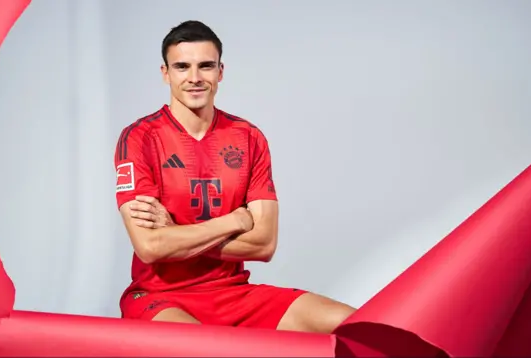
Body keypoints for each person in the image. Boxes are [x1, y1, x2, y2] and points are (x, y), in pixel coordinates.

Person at [114, 20, 356, 333]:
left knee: (361, 328)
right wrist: (232, 222)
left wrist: (177, 233)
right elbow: (151, 247)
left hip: (234, 293)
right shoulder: (140, 138)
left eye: (206, 66)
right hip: (160, 297)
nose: (195, 78)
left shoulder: (247, 137)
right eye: (182, 66)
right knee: (208, 346)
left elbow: (263, 245)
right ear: (166, 74)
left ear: (220, 72)